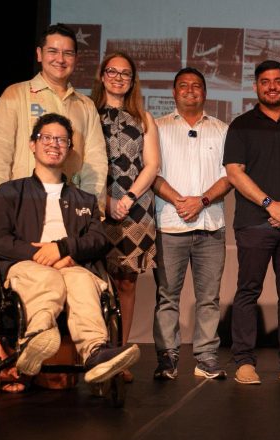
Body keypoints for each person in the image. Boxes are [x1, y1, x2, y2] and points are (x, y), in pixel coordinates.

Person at [0, 113, 140, 385]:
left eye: (62, 140)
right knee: (48, 278)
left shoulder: (85, 199)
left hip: (71, 266)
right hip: (26, 266)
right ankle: (38, 335)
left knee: (82, 281)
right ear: (33, 144)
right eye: (46, 137)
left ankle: (95, 352)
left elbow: (98, 240)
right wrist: (39, 255)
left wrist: (62, 249)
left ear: (68, 149)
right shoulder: (9, 191)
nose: (54, 144)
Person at [223, 60, 280, 384]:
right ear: (256, 87)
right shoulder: (242, 125)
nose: (272, 86)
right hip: (255, 222)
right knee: (248, 290)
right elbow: (234, 172)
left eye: (277, 81)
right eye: (265, 81)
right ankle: (245, 362)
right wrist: (270, 205)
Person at [151, 68, 231, 380]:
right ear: (174, 93)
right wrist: (180, 200)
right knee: (166, 296)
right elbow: (150, 172)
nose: (190, 91)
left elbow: (230, 175)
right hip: (169, 224)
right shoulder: (157, 128)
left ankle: (207, 357)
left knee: (209, 297)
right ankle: (167, 358)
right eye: (183, 86)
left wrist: (202, 200)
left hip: (210, 224)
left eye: (196, 86)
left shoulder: (222, 130)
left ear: (205, 92)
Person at [0, 23, 107, 218]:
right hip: (22, 205)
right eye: (53, 51)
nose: (60, 59)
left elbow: (96, 161)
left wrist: (91, 204)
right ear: (39, 54)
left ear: (76, 59)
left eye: (68, 53)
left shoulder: (86, 105)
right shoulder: (16, 94)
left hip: (70, 210)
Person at [90, 52, 161, 382]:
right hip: (94, 207)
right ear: (102, 75)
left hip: (136, 210)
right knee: (92, 283)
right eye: (113, 72)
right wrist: (105, 201)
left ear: (133, 80)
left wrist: (129, 198)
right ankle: (93, 351)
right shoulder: (87, 113)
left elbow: (152, 165)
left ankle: (120, 354)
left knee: (126, 283)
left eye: (126, 74)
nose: (119, 78)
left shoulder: (144, 118)